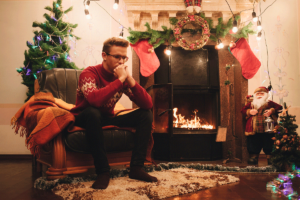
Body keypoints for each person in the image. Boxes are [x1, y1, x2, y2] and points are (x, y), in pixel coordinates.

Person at [70, 37, 158, 189]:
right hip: (84, 117)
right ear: (104, 56)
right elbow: (94, 101)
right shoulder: (89, 73)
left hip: (106, 118)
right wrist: (120, 80)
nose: (121, 61)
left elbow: (148, 104)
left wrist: (129, 79)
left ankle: (136, 168)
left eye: (124, 57)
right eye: (117, 56)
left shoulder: (123, 78)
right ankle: (103, 172)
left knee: (145, 114)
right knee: (93, 112)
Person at [241, 86, 282, 165]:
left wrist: (271, 111)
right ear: (255, 95)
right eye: (258, 93)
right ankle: (253, 157)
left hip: (268, 128)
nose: (259, 95)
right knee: (253, 142)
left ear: (266, 94)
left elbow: (280, 108)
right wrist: (249, 111)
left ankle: (270, 157)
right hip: (253, 129)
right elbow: (242, 110)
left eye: (262, 93)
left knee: (269, 142)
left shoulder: (270, 103)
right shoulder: (251, 104)